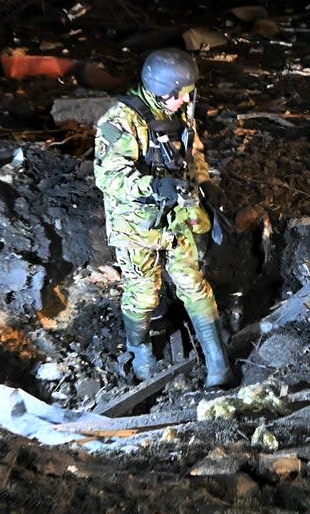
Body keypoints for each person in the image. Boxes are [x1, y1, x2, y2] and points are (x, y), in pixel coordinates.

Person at [93, 48, 235, 389]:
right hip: (136, 222)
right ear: (163, 91)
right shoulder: (120, 121)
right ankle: (139, 347)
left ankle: (217, 360)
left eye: (188, 94)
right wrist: (156, 186)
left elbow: (192, 151)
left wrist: (204, 183)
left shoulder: (180, 113)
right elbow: (109, 179)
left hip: (179, 217)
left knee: (193, 282)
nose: (186, 101)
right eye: (181, 95)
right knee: (144, 293)